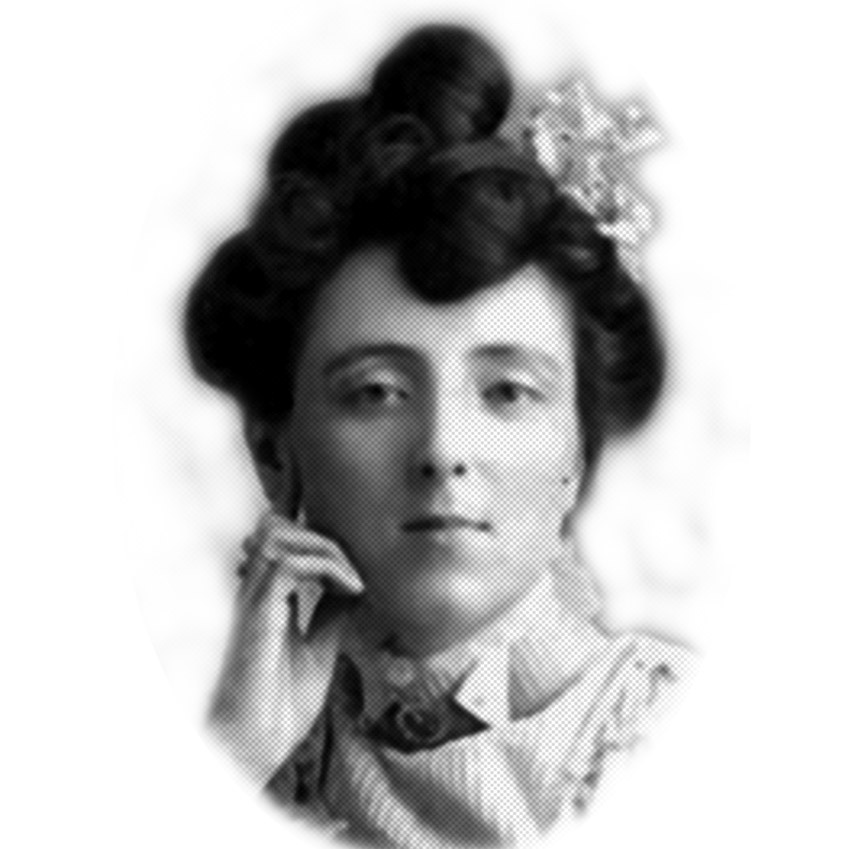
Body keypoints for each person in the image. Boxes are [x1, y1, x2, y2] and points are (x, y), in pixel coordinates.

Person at [182, 22, 693, 847]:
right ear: (276, 450)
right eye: (377, 392)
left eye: (507, 391)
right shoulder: (261, 757)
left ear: (576, 449)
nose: (442, 450)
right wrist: (233, 760)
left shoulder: (672, 736)